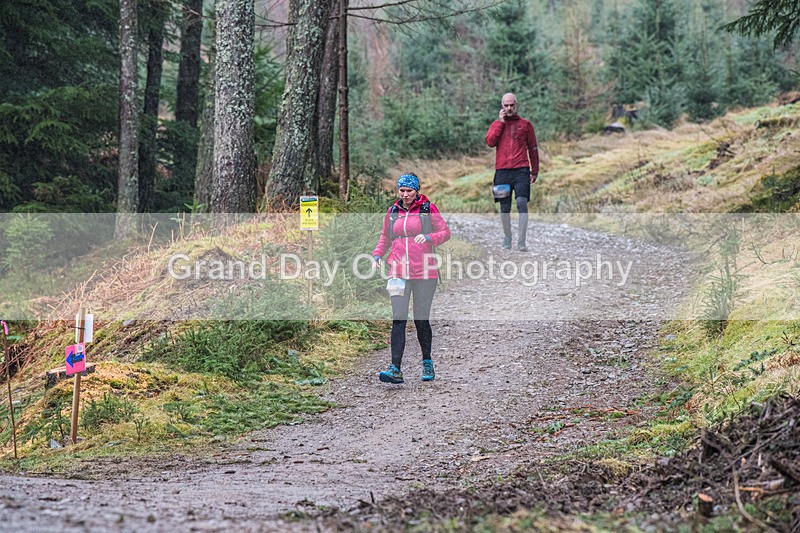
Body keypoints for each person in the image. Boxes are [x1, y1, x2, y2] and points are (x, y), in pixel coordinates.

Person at [371, 173, 451, 384]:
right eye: (402, 190)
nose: (405, 194)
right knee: (398, 319)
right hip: (398, 271)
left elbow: (445, 232)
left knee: (420, 320)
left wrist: (429, 237)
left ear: (416, 191)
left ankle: (427, 362)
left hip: (425, 272)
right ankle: (395, 368)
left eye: (409, 191)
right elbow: (385, 237)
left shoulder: (427, 209)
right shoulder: (393, 211)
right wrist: (377, 254)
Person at [485, 92, 539, 251]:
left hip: (521, 170)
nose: (509, 108)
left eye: (512, 105)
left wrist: (534, 170)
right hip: (502, 172)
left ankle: (522, 241)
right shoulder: (496, 124)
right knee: (504, 207)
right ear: (502, 106)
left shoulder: (526, 125)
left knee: (522, 203)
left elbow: (533, 148)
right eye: (506, 105)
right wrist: (500, 123)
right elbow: (490, 142)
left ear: (517, 105)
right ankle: (507, 237)